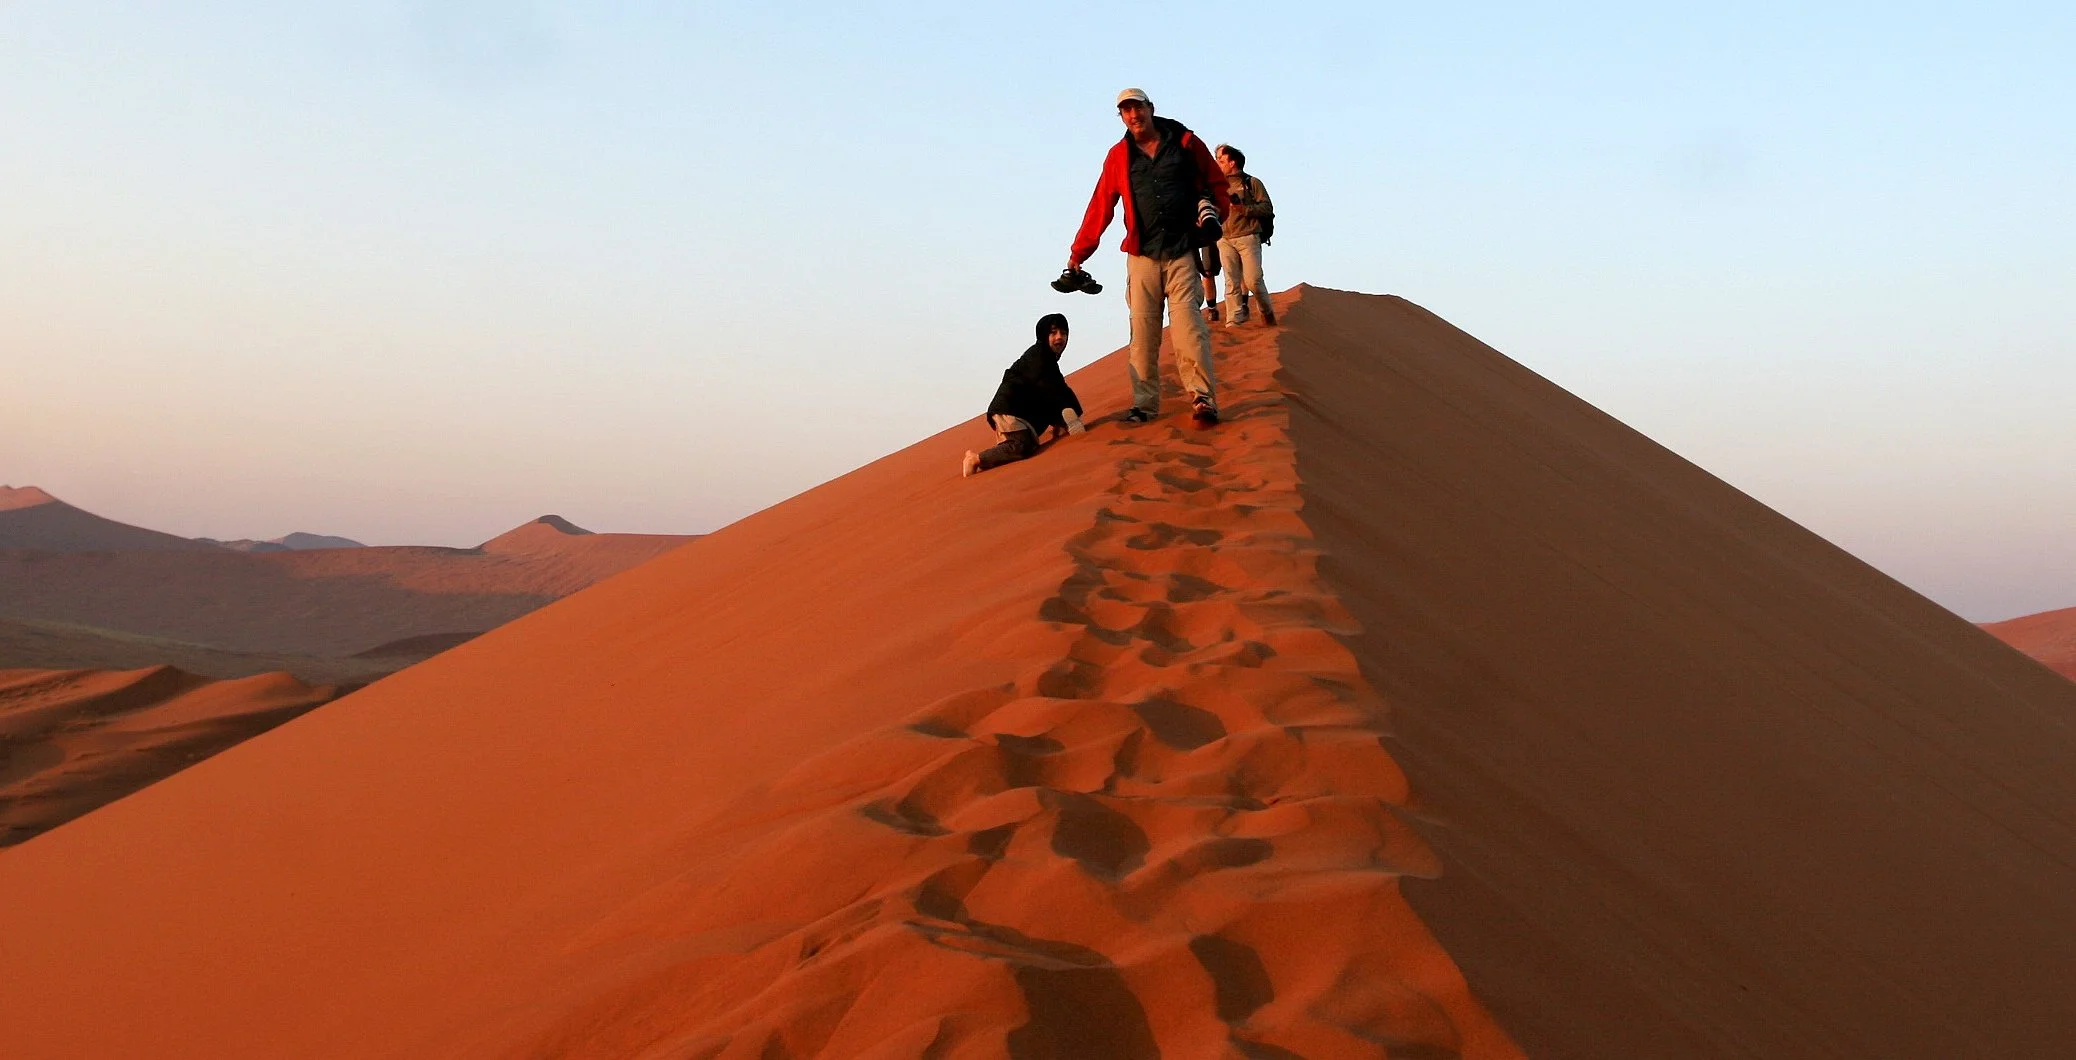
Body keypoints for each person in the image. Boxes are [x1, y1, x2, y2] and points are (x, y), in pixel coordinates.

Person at [1068, 88, 1230, 425]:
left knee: (1189, 329)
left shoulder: (1185, 143)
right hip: (1142, 256)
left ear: (1150, 108)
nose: (1133, 116)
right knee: (1143, 335)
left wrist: (1214, 215)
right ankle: (1144, 405)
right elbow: (1101, 204)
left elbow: (1217, 182)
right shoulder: (1118, 156)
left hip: (1182, 252)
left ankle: (1202, 399)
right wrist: (1079, 252)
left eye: (1138, 108)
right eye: (1126, 111)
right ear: (1121, 117)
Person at [962, 313, 1086, 477]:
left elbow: (1054, 388)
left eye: (1063, 333)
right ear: (1043, 336)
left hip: (1020, 410)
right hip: (1010, 408)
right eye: (1053, 333)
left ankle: (987, 460)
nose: (1059, 337)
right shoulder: (1038, 357)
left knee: (1020, 446)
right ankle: (975, 459)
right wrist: (1069, 415)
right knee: (1022, 446)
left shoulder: (1046, 359)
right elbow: (1053, 388)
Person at [1215, 144, 1276, 327]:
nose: (1217, 163)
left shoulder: (1252, 183)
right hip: (1224, 238)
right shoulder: (1216, 186)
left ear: (1232, 163)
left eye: (1221, 160)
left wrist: (1245, 209)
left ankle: (1266, 311)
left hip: (1248, 236)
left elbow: (1267, 208)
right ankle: (1234, 319)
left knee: (1253, 280)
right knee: (1231, 281)